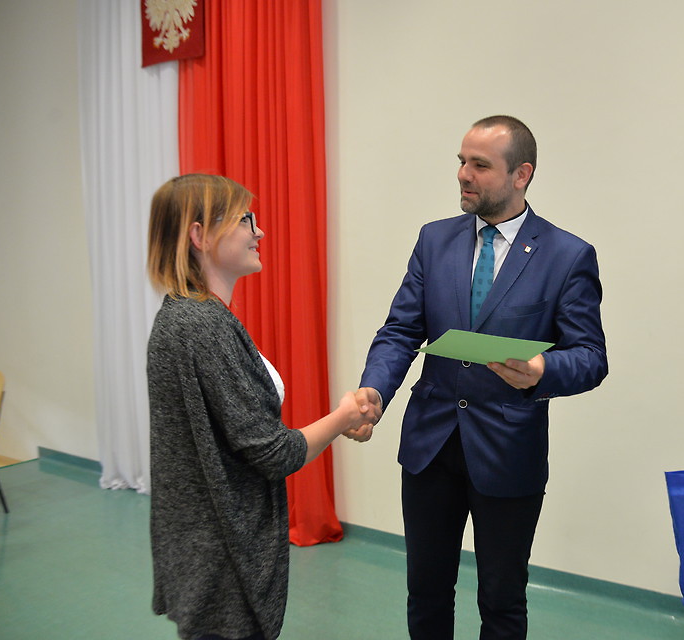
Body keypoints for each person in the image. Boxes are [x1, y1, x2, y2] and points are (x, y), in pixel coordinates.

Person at [349, 115, 608, 639]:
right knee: (426, 592)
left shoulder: (567, 256)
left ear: (521, 174)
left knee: (502, 600)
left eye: (480, 165)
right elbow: (400, 330)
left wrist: (542, 370)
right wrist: (374, 389)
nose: (463, 174)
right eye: (462, 161)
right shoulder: (434, 240)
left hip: (508, 451)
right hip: (430, 446)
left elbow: (590, 357)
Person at [145, 174, 378, 640]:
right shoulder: (203, 326)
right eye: (244, 220)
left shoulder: (186, 315)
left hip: (202, 550)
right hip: (221, 557)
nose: (259, 232)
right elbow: (274, 454)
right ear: (199, 235)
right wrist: (345, 417)